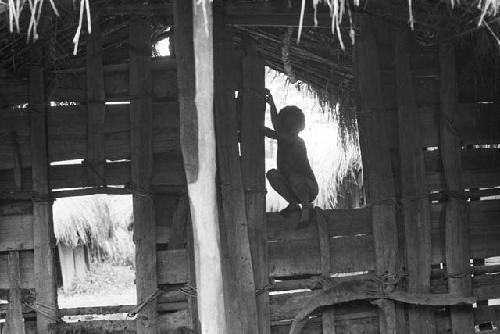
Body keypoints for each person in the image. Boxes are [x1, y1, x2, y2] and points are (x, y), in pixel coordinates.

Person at [264, 88, 318, 223]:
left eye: (290, 123)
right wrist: (271, 104)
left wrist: (271, 104)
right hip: (292, 187)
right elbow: (277, 129)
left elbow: (276, 129)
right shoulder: (283, 138)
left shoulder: (297, 141)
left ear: (298, 126)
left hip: (309, 188)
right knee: (272, 175)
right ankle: (293, 204)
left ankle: (306, 207)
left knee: (295, 178)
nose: (287, 127)